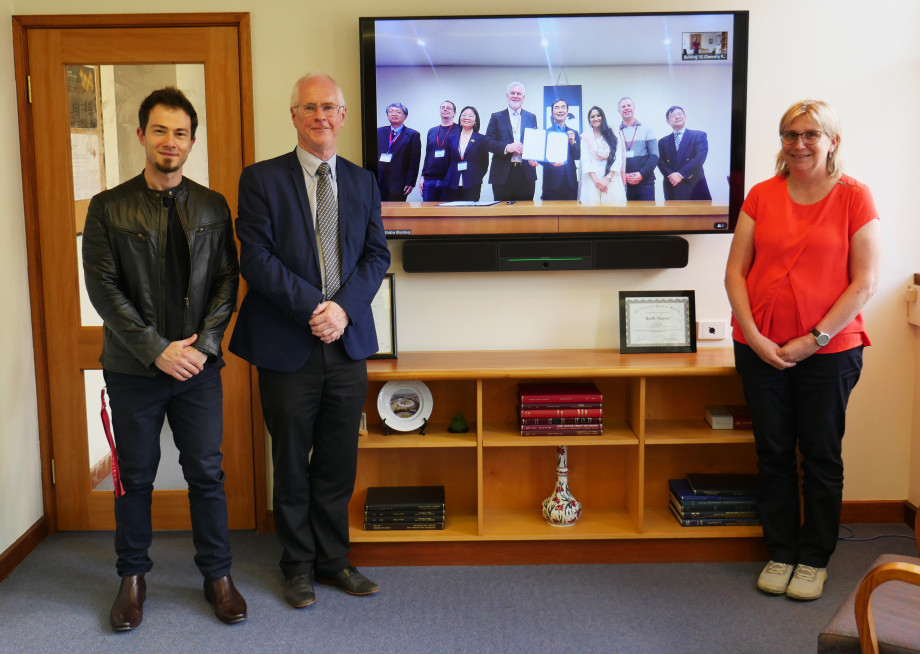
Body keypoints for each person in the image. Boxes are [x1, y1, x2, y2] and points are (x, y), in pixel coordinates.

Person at [82, 87, 245, 630]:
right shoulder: (108, 208)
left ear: (191, 141)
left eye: (180, 133)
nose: (169, 142)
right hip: (134, 369)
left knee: (206, 472)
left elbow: (226, 281)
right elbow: (104, 290)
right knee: (134, 476)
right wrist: (156, 349)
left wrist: (201, 347)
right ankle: (131, 578)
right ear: (141, 136)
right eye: (160, 130)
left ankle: (217, 575)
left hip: (198, 368)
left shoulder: (212, 205)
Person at [230, 73, 390, 608]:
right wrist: (314, 309)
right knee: (293, 460)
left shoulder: (364, 181)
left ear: (343, 116)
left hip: (347, 343)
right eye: (309, 108)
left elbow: (376, 258)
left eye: (329, 107)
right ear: (294, 117)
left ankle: (333, 561)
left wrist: (341, 310)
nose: (320, 116)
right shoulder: (260, 180)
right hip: (286, 343)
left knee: (339, 460)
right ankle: (296, 566)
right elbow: (256, 258)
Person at [724, 100, 880, 601]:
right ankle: (781, 551)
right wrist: (754, 336)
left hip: (829, 351)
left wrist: (812, 341)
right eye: (790, 134)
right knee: (772, 453)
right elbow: (735, 274)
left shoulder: (855, 197)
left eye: (811, 134)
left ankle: (813, 558)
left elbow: (865, 282)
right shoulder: (760, 196)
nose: (799, 143)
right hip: (761, 348)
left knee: (819, 455)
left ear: (832, 140)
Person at [485, 82, 539, 201]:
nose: (515, 96)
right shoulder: (496, 117)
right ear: (507, 96)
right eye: (512, 93)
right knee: (502, 215)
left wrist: (536, 157)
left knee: (526, 215)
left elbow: (535, 143)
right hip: (502, 173)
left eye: (519, 93)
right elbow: (487, 142)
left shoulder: (531, 117)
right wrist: (506, 147)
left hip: (526, 173)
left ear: (523, 97)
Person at [657, 106, 712, 201]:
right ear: (668, 121)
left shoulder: (698, 136)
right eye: (673, 115)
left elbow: (699, 158)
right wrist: (672, 176)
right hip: (672, 185)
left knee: (699, 215)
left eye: (679, 114)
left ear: (685, 117)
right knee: (674, 215)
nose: (677, 117)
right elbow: (660, 162)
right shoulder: (662, 142)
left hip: (694, 185)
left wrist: (681, 174)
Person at [579, 105, 625, 205]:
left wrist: (607, 179)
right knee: (592, 215)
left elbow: (618, 158)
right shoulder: (585, 137)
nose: (596, 118)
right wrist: (597, 182)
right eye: (592, 117)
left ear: (603, 117)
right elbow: (585, 161)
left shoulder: (613, 133)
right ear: (589, 120)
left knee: (614, 214)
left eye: (598, 115)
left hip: (611, 179)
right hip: (592, 181)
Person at [375, 101, 421, 201]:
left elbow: (414, 161)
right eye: (391, 111)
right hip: (379, 179)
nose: (394, 114)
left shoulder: (413, 135)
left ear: (405, 116)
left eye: (398, 112)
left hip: (399, 181)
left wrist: (410, 182)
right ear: (387, 115)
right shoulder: (378, 132)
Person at [443, 106, 490, 202]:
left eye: (471, 116)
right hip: (452, 182)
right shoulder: (451, 138)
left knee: (470, 213)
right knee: (453, 213)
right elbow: (446, 161)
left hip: (472, 182)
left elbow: (484, 163)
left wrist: (477, 176)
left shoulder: (481, 139)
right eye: (464, 115)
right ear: (460, 119)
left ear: (475, 121)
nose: (466, 118)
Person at [617, 97, 658, 201]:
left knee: (647, 216)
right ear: (619, 111)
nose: (626, 108)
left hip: (645, 183)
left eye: (629, 105)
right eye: (623, 106)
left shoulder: (647, 129)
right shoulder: (615, 133)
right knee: (627, 217)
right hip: (623, 183)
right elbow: (613, 159)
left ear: (634, 108)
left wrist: (641, 174)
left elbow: (655, 156)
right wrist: (624, 175)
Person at [541, 99, 580, 201]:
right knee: (550, 214)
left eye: (563, 107)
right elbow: (540, 157)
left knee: (571, 214)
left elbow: (578, 155)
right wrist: (550, 163)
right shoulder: (545, 133)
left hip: (570, 182)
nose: (560, 110)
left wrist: (572, 142)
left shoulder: (574, 132)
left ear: (567, 112)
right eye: (557, 108)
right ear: (552, 113)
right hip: (551, 182)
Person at [419, 100, 456, 202]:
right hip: (429, 179)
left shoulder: (459, 130)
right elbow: (428, 155)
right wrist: (423, 176)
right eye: (442, 107)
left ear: (454, 113)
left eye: (448, 108)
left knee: (447, 214)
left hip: (449, 179)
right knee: (428, 213)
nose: (445, 109)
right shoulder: (432, 131)